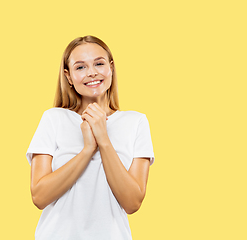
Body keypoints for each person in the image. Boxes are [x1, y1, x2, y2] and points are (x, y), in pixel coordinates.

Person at [26, 35, 155, 240]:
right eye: (80, 67)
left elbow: (132, 202)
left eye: (99, 63)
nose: (92, 72)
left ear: (111, 67)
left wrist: (103, 139)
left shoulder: (136, 122)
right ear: (68, 77)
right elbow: (39, 196)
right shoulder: (53, 118)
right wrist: (87, 150)